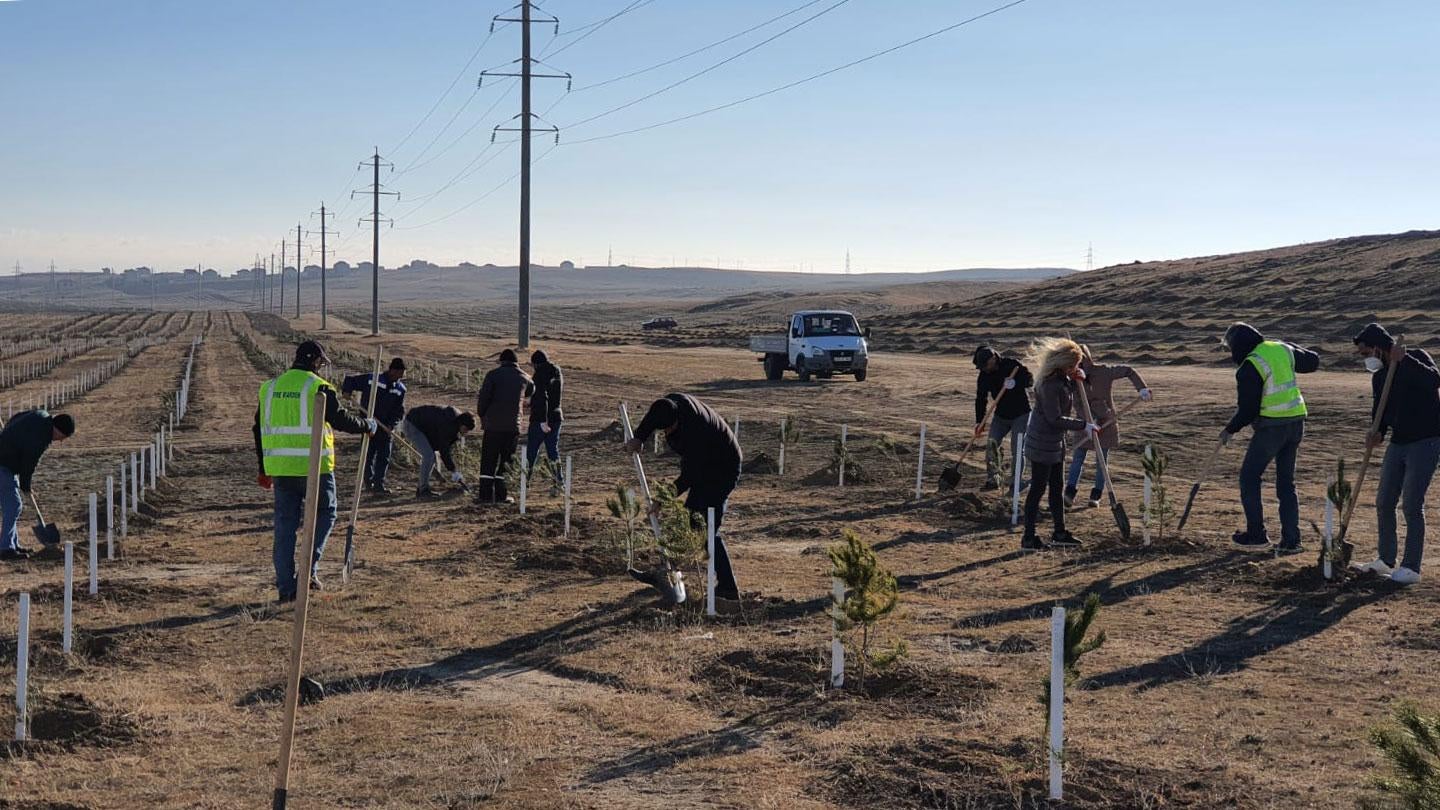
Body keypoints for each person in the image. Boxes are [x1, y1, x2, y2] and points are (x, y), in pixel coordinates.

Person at [253, 340, 376, 602]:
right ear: (315, 361)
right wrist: (367, 425)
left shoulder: (270, 388)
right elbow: (340, 419)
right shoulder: (318, 387)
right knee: (326, 514)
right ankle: (308, 571)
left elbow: (257, 428)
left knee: (285, 527)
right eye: (320, 362)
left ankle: (287, 589)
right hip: (315, 468)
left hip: (282, 470)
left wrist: (263, 467)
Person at [623, 393, 743, 602]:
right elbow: (652, 419)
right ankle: (669, 572)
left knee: (705, 528)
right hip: (705, 464)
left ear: (677, 420)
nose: (667, 434)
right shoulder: (667, 404)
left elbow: (690, 475)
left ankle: (728, 588)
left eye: (669, 429)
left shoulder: (696, 431)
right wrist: (639, 438)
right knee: (690, 522)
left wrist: (662, 499)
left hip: (723, 468)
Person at [1352, 323, 1440, 585]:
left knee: (1411, 504)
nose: (1365, 358)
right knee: (1384, 501)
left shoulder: (1416, 357)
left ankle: (1411, 567)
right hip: (1398, 442)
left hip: (1426, 441)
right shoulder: (1379, 376)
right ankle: (1385, 559)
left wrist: (1406, 361)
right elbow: (1380, 409)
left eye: (1366, 352)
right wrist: (1377, 431)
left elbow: (1434, 380)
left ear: (1378, 348)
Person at [1220, 323, 1320, 552]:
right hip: (1296, 422)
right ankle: (1292, 540)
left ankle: (1256, 535)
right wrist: (1288, 346)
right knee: (1286, 483)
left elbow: (1248, 410)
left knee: (1249, 478)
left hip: (1272, 428)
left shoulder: (1249, 366)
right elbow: (1313, 361)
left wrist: (1229, 430)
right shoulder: (1281, 348)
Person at [1020, 338, 1096, 551]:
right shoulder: (1049, 385)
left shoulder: (1061, 379)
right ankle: (1028, 538)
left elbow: (1067, 391)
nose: (1076, 368)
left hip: (1055, 443)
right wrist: (1083, 425)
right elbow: (1054, 418)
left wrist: (1079, 379)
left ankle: (1060, 532)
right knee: (1037, 489)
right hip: (1042, 443)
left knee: (1057, 488)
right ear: (1063, 363)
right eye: (1074, 365)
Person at [1065, 345, 1152, 508]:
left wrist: (1142, 389)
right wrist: (1088, 422)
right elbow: (1077, 403)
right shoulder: (1072, 379)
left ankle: (1096, 496)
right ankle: (1069, 493)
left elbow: (1128, 371)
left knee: (1101, 461)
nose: (1079, 365)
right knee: (1078, 458)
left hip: (1107, 423)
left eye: (1081, 361)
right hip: (1084, 424)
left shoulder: (1104, 372)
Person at [0, 410, 75, 561]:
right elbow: (30, 461)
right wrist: (26, 486)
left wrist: (9, 436)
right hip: (3, 464)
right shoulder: (42, 436)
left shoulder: (41, 415)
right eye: (63, 437)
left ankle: (12, 544)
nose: (60, 441)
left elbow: (16, 418)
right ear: (58, 430)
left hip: (8, 463)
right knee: (14, 506)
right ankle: (5, 549)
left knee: (12, 506)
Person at [341, 357, 407, 495]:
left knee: (384, 457)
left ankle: (379, 485)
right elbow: (350, 380)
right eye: (399, 373)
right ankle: (368, 482)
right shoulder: (373, 379)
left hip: (385, 428)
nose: (400, 377)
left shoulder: (400, 389)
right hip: (369, 425)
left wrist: (391, 425)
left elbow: (398, 411)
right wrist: (347, 391)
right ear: (392, 370)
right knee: (368, 455)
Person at [475, 349, 533, 504]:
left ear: (501, 361)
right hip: (513, 427)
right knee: (506, 461)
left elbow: (484, 399)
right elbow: (531, 391)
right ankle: (501, 495)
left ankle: (485, 496)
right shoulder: (525, 377)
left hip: (492, 426)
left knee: (488, 460)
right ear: (516, 362)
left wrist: (482, 415)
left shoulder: (492, 375)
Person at [973, 346, 1034, 490]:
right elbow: (981, 398)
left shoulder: (1012, 365)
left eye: (985, 365)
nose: (984, 369)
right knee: (992, 445)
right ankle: (993, 479)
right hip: (1001, 416)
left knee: (1017, 449)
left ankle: (1015, 481)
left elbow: (1030, 380)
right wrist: (979, 421)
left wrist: (1015, 383)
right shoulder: (984, 375)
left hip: (1021, 414)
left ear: (993, 359)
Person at [401, 405, 476, 499]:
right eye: (465, 429)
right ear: (461, 424)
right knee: (429, 456)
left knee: (431, 456)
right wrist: (453, 470)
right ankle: (423, 490)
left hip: (426, 428)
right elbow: (444, 450)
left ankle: (423, 488)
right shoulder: (448, 424)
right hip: (413, 424)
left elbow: (444, 447)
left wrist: (453, 469)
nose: (465, 433)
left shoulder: (455, 422)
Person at [526, 350, 564, 492]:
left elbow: (542, 398)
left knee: (531, 452)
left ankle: (524, 481)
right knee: (553, 451)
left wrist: (542, 420)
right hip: (556, 416)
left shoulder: (539, 375)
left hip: (540, 420)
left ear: (536, 364)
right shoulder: (557, 372)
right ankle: (559, 482)